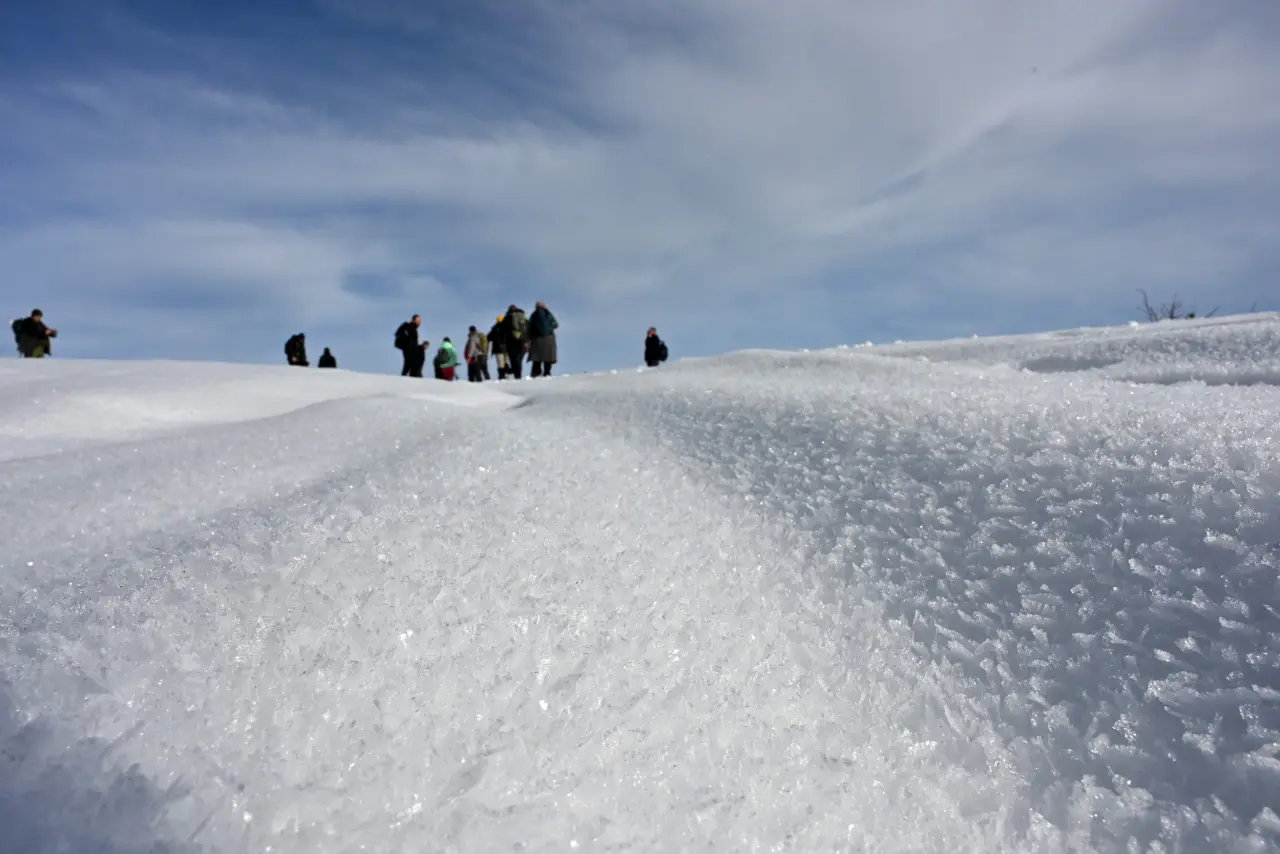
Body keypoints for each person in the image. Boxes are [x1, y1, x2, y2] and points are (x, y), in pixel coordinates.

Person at [527, 301, 558, 378]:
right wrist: (549, 329)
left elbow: (529, 327)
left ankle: (536, 373)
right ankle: (547, 373)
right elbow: (556, 324)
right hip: (549, 339)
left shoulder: (535, 314)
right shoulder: (549, 314)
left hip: (537, 339)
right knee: (548, 357)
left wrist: (528, 339)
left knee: (537, 357)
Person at [498, 305, 528, 380]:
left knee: (513, 359)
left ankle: (517, 377)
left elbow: (501, 331)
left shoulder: (507, 318)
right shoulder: (524, 319)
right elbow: (530, 330)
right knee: (519, 360)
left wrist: (502, 343)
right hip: (523, 341)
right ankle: (518, 376)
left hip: (511, 341)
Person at [489, 315, 509, 379]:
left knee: (501, 364)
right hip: (507, 348)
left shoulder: (494, 329)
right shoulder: (507, 328)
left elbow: (488, 338)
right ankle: (507, 375)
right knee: (506, 362)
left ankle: (502, 376)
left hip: (497, 349)